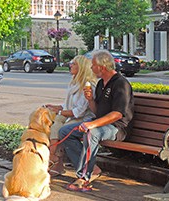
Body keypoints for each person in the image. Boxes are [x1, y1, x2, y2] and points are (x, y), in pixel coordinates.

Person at [59, 50, 134, 192]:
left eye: (93, 65)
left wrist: (92, 124)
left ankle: (84, 178)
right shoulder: (100, 84)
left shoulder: (121, 84)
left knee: (90, 133)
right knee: (65, 131)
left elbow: (118, 114)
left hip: (117, 128)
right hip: (101, 124)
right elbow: (96, 112)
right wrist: (91, 100)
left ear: (102, 67)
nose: (91, 68)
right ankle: (90, 169)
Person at [46, 55, 97, 176]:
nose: (71, 65)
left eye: (73, 64)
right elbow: (68, 105)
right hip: (72, 115)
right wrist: (56, 107)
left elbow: (79, 111)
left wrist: (59, 111)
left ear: (81, 68)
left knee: (62, 130)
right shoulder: (74, 82)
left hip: (83, 119)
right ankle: (55, 160)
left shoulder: (87, 85)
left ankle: (53, 158)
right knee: (54, 123)